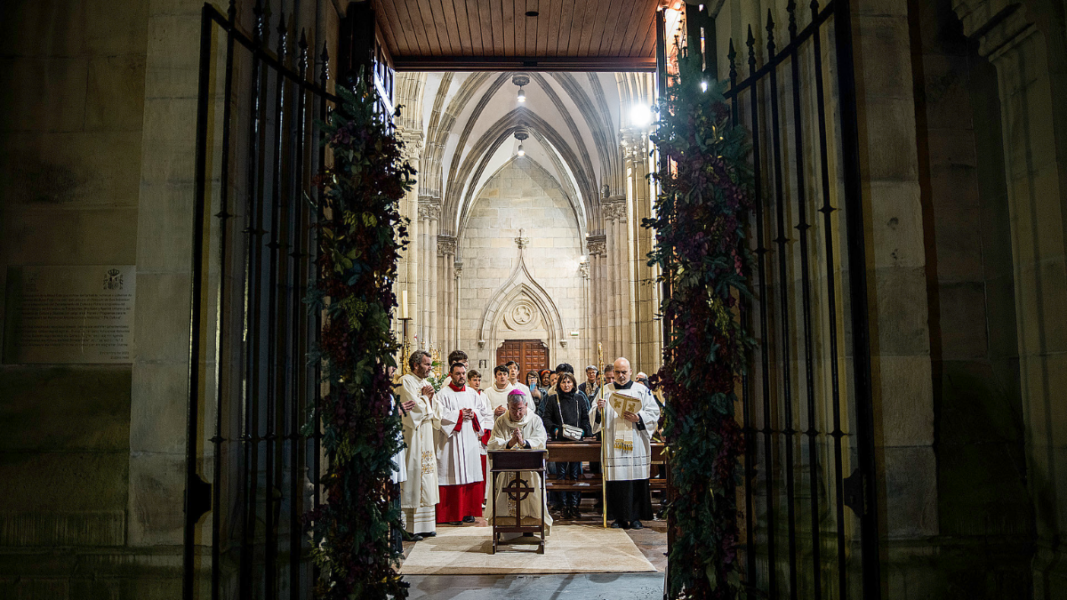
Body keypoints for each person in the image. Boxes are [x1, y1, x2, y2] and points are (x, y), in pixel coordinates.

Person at [590, 357, 660, 530]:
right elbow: (593, 417)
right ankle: (618, 517)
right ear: (613, 373)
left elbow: (654, 411)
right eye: (618, 372)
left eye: (624, 372)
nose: (621, 376)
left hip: (636, 442)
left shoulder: (641, 390)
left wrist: (639, 417)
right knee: (617, 481)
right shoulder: (604, 391)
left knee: (636, 479)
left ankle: (636, 517)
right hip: (614, 446)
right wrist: (598, 410)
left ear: (630, 372)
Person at [486, 390, 554, 534]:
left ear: (526, 405)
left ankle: (531, 526)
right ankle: (506, 530)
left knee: (531, 493)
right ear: (507, 406)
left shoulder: (534, 420)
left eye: (520, 409)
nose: (517, 414)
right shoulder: (501, 421)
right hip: (506, 470)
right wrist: (509, 443)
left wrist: (525, 442)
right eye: (513, 409)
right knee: (506, 493)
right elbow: (492, 443)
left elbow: (541, 440)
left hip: (529, 470)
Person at [434, 363, 489, 525]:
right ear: (450, 375)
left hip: (469, 439)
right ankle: (452, 514)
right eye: (458, 374)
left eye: (463, 373)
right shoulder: (442, 394)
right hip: (451, 441)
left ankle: (468, 512)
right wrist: (458, 414)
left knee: (470, 473)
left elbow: (483, 412)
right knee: (452, 473)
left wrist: (474, 414)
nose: (462, 377)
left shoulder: (472, 393)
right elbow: (439, 416)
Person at [400, 350, 442, 538]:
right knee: (414, 473)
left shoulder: (425, 383)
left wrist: (430, 399)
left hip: (426, 434)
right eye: (426, 364)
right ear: (415, 365)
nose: (430, 368)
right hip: (413, 435)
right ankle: (408, 527)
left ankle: (425, 525)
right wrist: (426, 399)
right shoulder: (405, 381)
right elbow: (414, 410)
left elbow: (435, 410)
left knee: (426, 474)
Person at [541, 372, 592, 519]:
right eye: (563, 382)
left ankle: (574, 506)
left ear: (574, 384)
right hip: (560, 442)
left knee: (575, 474)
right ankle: (563, 506)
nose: (566, 385)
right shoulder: (553, 399)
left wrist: (584, 431)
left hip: (576, 443)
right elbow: (546, 418)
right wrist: (555, 430)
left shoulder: (579, 399)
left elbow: (585, 418)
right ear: (559, 384)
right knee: (561, 475)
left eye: (569, 382)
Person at [467, 369, 492, 501]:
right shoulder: (466, 394)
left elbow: (488, 415)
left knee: (483, 468)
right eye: (474, 380)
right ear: (469, 381)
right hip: (468, 435)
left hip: (480, 436)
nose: (477, 382)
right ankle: (472, 497)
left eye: (478, 380)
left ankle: (483, 497)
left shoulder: (484, 396)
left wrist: (481, 432)